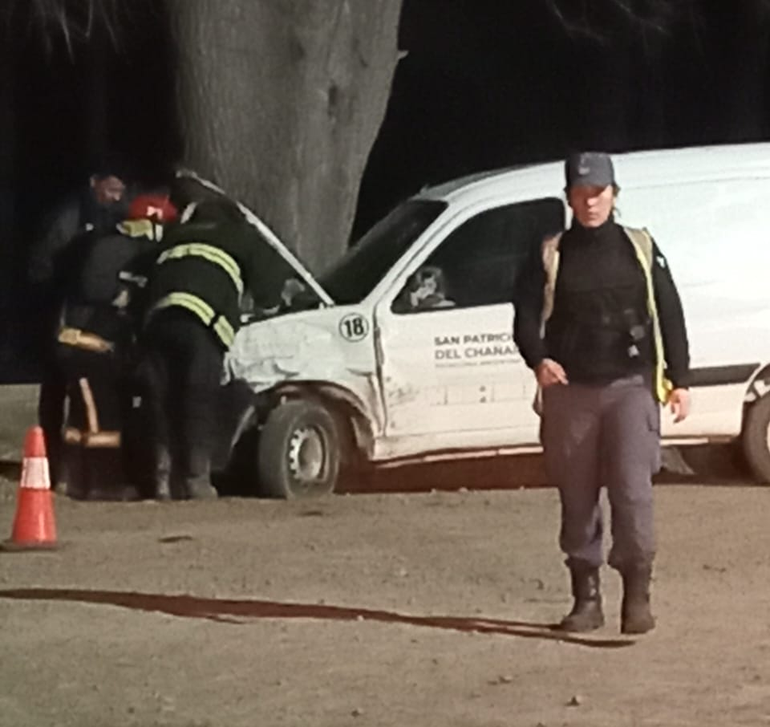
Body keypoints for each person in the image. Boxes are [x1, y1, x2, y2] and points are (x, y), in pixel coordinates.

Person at [513, 151, 690, 635]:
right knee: (577, 498)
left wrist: (681, 378)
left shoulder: (639, 246)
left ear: (614, 194)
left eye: (599, 192)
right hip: (571, 394)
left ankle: (637, 597)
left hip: (630, 390)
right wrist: (538, 359)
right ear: (569, 197)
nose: (591, 202)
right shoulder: (550, 251)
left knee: (633, 494)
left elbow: (669, 311)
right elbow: (525, 314)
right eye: (581, 193)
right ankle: (585, 600)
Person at [137, 197, 286, 501]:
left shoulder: (173, 237)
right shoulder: (240, 236)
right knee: (197, 397)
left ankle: (162, 476)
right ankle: (196, 479)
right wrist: (272, 305)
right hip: (201, 321)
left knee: (162, 398)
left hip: (157, 320)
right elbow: (271, 286)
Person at [56, 193, 177, 500]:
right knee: (102, 422)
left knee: (81, 422)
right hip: (91, 349)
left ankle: (72, 480)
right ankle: (102, 486)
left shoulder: (106, 247)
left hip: (86, 347)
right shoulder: (126, 253)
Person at [28, 158, 130, 486]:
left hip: (74, 318)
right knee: (60, 393)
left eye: (121, 192)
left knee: (72, 398)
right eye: (112, 189)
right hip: (65, 316)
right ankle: (53, 463)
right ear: (94, 183)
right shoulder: (69, 218)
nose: (116, 197)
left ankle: (64, 470)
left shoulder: (108, 219)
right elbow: (41, 267)